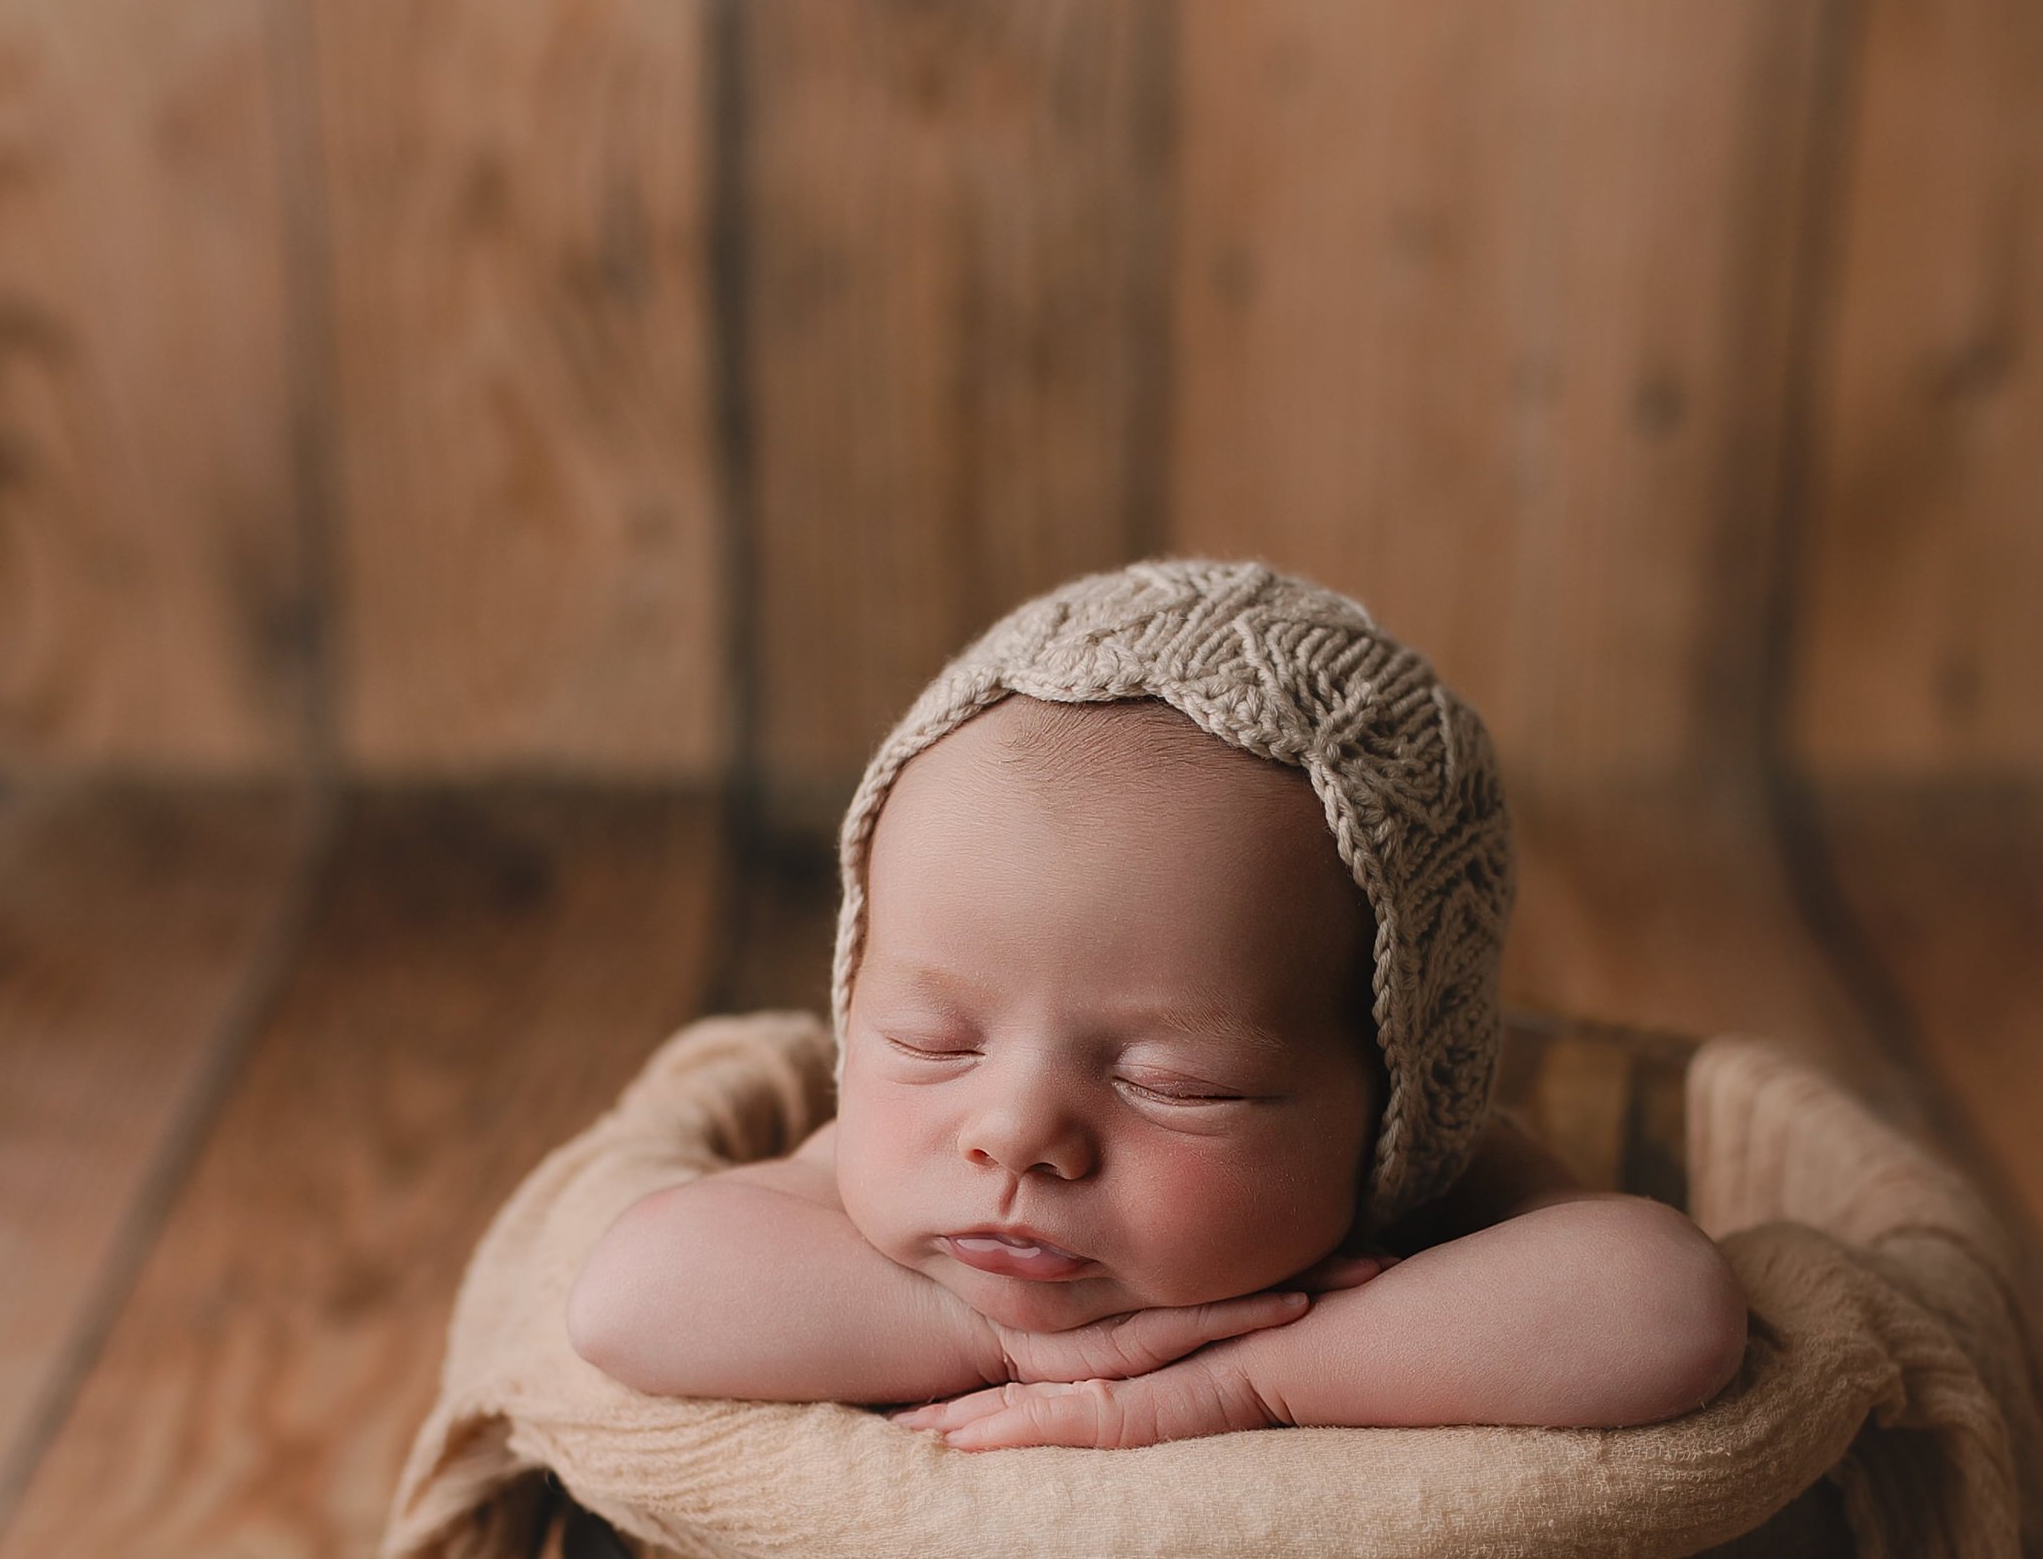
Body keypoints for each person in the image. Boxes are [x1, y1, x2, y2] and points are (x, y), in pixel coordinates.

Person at [566, 564, 1746, 1445]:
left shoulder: (1428, 1198)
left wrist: (1241, 1380)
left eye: (1174, 1082)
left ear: (1395, 1105)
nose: (1013, 1130)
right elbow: (631, 1296)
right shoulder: (875, 1186)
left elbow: (1665, 1309)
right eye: (932, 1042)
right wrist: (1013, 1347)